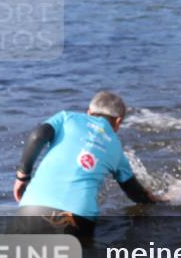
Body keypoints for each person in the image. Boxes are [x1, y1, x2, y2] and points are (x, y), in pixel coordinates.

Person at [13, 91, 159, 236]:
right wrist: (158, 201)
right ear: (118, 121)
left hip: (31, 208)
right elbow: (134, 191)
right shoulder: (117, 149)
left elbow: (37, 136)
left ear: (89, 112)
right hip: (77, 217)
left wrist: (23, 176)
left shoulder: (66, 118)